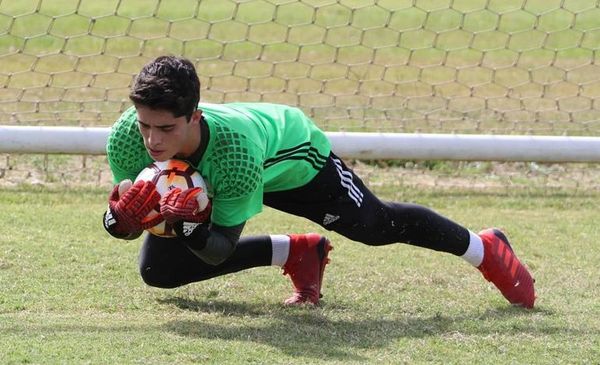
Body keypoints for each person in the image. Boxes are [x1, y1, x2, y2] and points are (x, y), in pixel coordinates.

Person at [102, 55, 535, 308]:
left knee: (376, 227)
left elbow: (220, 248)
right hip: (226, 172)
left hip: (292, 161)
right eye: (145, 126)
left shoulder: (235, 153)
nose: (153, 141)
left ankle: (486, 248)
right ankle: (298, 253)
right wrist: (117, 220)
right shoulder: (127, 138)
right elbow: (135, 214)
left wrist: (192, 227)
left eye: (166, 129)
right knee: (158, 270)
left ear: (194, 116)